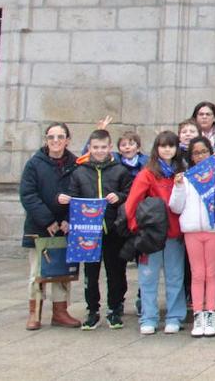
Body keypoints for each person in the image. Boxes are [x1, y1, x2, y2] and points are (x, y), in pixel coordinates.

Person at [60, 129, 133, 331]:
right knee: (91, 273)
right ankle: (92, 310)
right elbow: (73, 196)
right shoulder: (80, 172)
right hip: (88, 232)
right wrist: (66, 200)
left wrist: (119, 196)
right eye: (95, 148)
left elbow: (130, 193)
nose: (99, 151)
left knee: (116, 271)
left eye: (103, 147)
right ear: (89, 148)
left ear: (110, 147)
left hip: (114, 230)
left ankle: (115, 308)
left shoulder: (120, 170)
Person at [169, 136, 215, 337]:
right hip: (192, 230)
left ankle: (211, 314)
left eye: (204, 152)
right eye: (196, 153)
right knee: (197, 274)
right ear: (190, 156)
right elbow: (175, 206)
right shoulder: (187, 176)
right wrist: (179, 186)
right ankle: (198, 314)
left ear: (210, 152)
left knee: (212, 273)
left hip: (214, 228)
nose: (200, 156)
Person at [126, 131, 188, 335]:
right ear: (156, 149)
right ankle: (149, 317)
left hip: (174, 233)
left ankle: (174, 316)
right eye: (163, 146)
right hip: (151, 235)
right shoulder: (147, 173)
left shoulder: (182, 171)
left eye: (171, 146)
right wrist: (137, 228)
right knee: (148, 277)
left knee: (175, 276)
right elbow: (132, 203)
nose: (167, 149)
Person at [20, 123, 80, 330]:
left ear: (68, 140)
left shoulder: (75, 164)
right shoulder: (34, 164)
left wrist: (68, 220)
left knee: (62, 271)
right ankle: (34, 313)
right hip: (39, 227)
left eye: (60, 136)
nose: (56, 141)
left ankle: (60, 312)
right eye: (51, 137)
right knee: (38, 272)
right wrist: (48, 221)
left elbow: (79, 192)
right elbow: (28, 195)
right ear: (46, 140)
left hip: (65, 227)